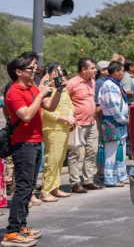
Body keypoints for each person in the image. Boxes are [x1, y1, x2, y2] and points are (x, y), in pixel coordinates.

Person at [3, 52, 62, 246]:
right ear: (19, 72)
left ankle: (21, 226)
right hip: (23, 144)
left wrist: (58, 91)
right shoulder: (14, 92)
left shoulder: (32, 87)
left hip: (36, 141)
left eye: (35, 66)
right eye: (31, 68)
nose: (35, 70)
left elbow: (50, 107)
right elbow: (26, 115)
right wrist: (41, 94)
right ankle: (11, 232)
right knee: (23, 188)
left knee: (28, 188)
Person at [65, 58, 103, 193]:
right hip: (78, 124)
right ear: (83, 69)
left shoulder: (92, 82)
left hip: (91, 123)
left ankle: (88, 180)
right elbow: (64, 101)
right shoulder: (72, 83)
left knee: (92, 151)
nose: (94, 70)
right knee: (76, 153)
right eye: (92, 68)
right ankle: (75, 182)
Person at [40, 63, 75, 203]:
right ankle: (46, 190)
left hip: (65, 127)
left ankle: (55, 187)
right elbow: (45, 111)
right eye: (57, 71)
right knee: (52, 160)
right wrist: (64, 118)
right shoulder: (47, 89)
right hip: (53, 129)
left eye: (60, 71)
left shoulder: (62, 88)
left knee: (60, 160)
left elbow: (70, 105)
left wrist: (71, 117)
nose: (60, 73)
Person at [98, 62, 129, 187]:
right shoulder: (108, 85)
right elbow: (113, 106)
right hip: (112, 121)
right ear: (115, 71)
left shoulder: (116, 84)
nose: (123, 73)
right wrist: (122, 119)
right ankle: (110, 178)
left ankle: (120, 176)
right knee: (111, 151)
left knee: (120, 150)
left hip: (119, 121)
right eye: (121, 71)